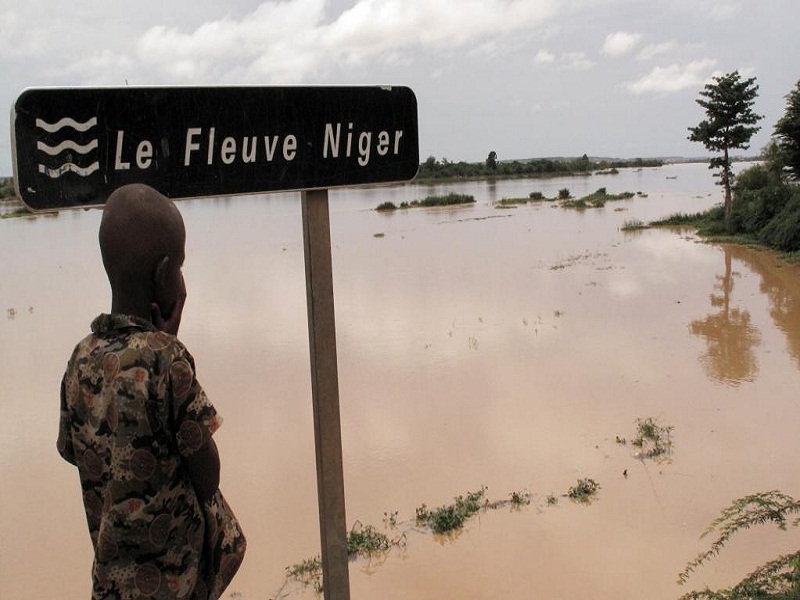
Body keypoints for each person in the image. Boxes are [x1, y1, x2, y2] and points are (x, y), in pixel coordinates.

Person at [57, 184, 245, 600]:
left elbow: (73, 451)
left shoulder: (79, 359)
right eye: (179, 265)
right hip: (175, 584)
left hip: (110, 584)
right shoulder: (167, 360)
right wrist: (168, 345)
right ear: (163, 273)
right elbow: (208, 474)